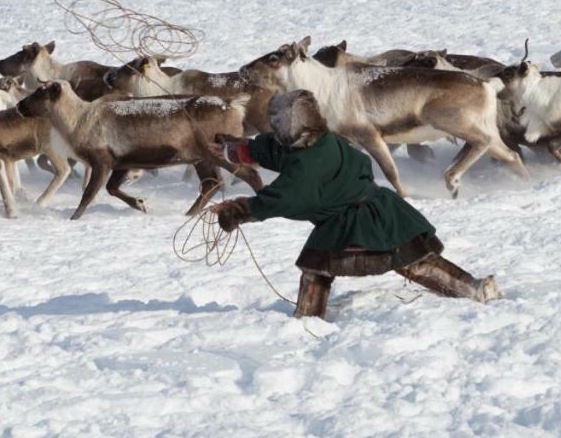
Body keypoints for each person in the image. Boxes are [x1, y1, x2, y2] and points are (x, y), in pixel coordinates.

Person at [209, 90, 502, 319]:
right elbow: (276, 150)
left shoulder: (307, 165)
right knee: (414, 260)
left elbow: (284, 198)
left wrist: (239, 211)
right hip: (379, 208)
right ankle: (474, 288)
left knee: (320, 267)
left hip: (356, 221)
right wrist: (234, 150)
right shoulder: (319, 141)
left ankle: (308, 319)